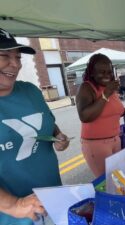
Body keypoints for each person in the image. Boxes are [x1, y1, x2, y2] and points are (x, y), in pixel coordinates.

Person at [0, 28, 70, 224]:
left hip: (53, 200)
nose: (15, 64)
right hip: (13, 218)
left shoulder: (30, 90)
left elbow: (48, 121)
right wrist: (14, 205)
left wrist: (58, 135)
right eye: (4, 55)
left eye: (18, 57)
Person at [76, 53, 125, 177]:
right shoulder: (86, 87)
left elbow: (112, 112)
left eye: (109, 72)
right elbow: (85, 116)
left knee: (120, 180)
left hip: (116, 140)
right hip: (96, 145)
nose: (106, 75)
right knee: (107, 182)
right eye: (101, 72)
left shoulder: (109, 87)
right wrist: (106, 93)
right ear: (92, 72)